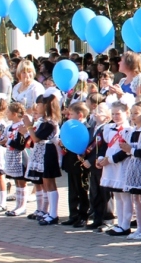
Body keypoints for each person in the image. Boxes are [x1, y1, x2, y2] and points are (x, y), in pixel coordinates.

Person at [25, 93, 62, 225]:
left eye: (40, 104)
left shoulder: (50, 123)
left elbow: (36, 138)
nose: (37, 106)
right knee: (45, 182)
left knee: (49, 182)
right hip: (41, 152)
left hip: (48, 152)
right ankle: (46, 211)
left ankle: (53, 213)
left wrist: (28, 126)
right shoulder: (42, 121)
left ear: (46, 106)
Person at [120, 101, 141, 239]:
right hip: (133, 168)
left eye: (136, 113)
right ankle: (139, 227)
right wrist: (126, 149)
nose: (133, 116)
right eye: (132, 113)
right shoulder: (133, 131)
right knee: (135, 199)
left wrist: (131, 150)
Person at [100, 101, 133, 236]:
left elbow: (126, 150)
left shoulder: (129, 130)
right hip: (109, 165)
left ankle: (126, 225)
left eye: (118, 114)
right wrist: (101, 157)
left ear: (127, 113)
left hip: (121, 165)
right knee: (117, 195)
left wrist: (111, 160)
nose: (115, 116)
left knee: (125, 196)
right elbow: (104, 145)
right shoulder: (108, 128)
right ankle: (119, 223)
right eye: (113, 114)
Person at [60, 102, 92, 227]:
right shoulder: (70, 127)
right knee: (72, 190)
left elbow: (87, 144)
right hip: (70, 162)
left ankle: (83, 215)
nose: (68, 117)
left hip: (81, 164)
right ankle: (73, 214)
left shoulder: (87, 128)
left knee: (82, 189)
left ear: (80, 115)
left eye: (71, 114)